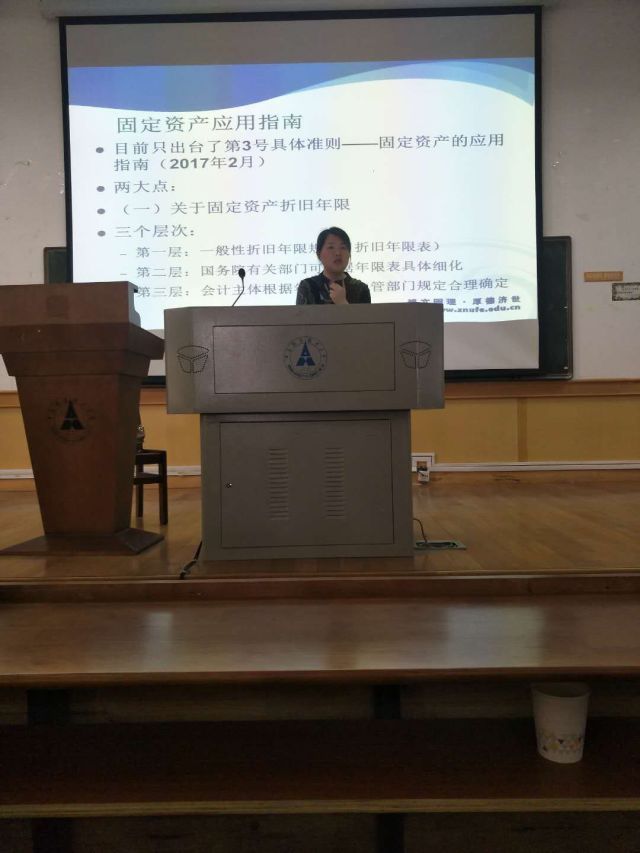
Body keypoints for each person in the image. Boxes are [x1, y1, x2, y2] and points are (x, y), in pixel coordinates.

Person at [296, 227, 371, 304]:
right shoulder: (308, 286)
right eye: (331, 247)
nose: (338, 253)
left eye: (343, 247)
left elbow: (365, 313)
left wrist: (342, 303)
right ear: (319, 254)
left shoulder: (361, 289)